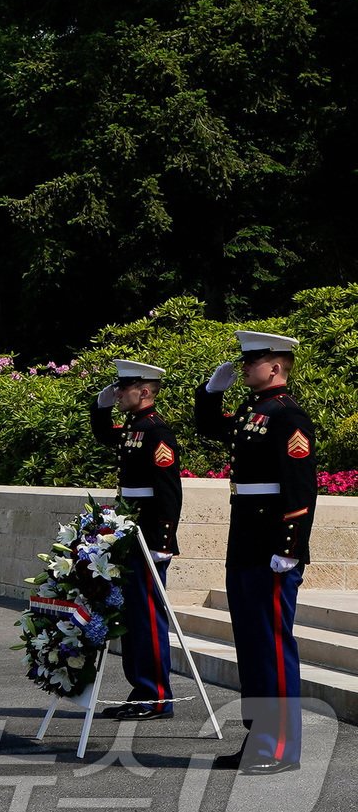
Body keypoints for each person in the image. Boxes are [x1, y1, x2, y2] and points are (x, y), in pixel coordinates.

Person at [196, 331, 316, 776]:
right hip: (246, 541)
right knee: (250, 643)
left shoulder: (289, 416)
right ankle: (258, 739)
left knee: (271, 643)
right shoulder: (256, 412)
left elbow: (301, 490)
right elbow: (211, 428)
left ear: (276, 366)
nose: (245, 367)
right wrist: (211, 393)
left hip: (271, 547)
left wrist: (289, 549)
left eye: (252, 361)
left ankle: (280, 746)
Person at [89, 359, 183, 721]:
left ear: (144, 391)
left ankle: (156, 695)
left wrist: (162, 539)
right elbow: (104, 435)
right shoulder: (134, 428)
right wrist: (99, 408)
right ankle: (142, 688)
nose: (118, 393)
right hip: (132, 529)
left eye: (123, 388)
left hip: (149, 535)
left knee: (146, 615)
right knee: (132, 614)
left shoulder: (158, 432)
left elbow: (168, 492)